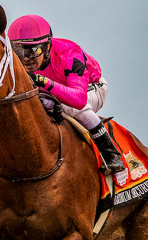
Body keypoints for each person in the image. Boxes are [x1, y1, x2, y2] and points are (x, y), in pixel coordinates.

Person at [8, 15, 124, 175]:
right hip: (51, 90)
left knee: (71, 107)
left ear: (47, 46)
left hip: (90, 87)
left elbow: (79, 99)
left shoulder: (70, 54)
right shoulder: (17, 61)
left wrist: (44, 82)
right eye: (18, 51)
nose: (26, 58)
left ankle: (111, 153)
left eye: (34, 50)